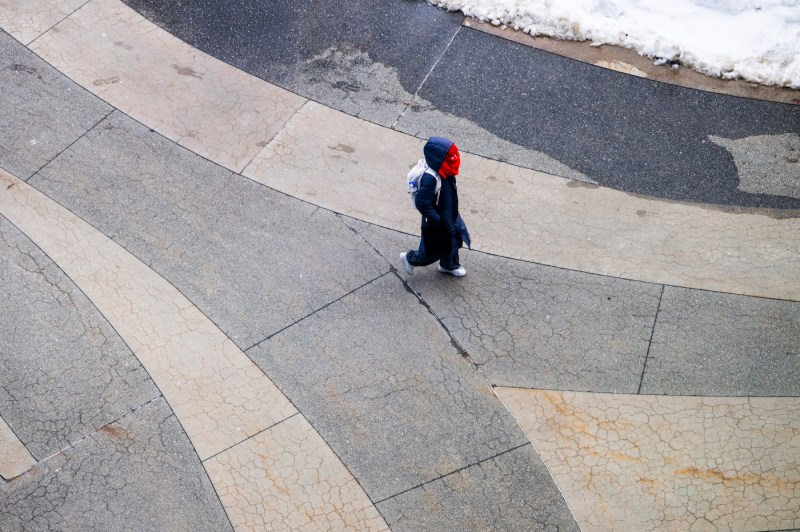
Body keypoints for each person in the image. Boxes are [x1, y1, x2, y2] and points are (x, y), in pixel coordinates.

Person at [401, 136, 466, 277]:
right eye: (450, 155)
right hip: (438, 220)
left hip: (449, 215)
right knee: (431, 250)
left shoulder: (445, 170)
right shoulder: (431, 178)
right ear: (439, 158)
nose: (454, 158)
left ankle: (448, 265)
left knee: (453, 241)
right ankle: (410, 258)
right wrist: (437, 219)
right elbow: (421, 202)